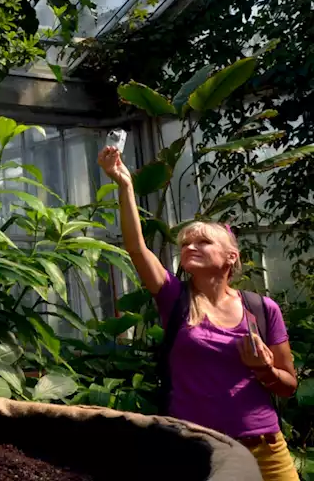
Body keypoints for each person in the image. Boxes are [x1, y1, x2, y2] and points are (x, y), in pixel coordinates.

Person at [98, 145, 299, 481]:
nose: (190, 247)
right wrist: (124, 185)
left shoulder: (262, 309)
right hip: (199, 447)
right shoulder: (174, 297)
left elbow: (288, 385)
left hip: (264, 446)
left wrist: (264, 370)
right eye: (185, 244)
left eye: (202, 242)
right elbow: (135, 247)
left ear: (231, 257)